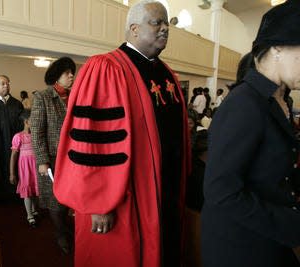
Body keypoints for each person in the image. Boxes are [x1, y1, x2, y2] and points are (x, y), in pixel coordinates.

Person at [53, 1, 190, 266]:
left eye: (166, 23)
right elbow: (93, 142)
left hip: (166, 189)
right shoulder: (106, 68)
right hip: (125, 197)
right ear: (134, 29)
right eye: (156, 22)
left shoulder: (167, 73)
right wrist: (98, 204)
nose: (165, 29)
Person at [202, 1, 300, 266]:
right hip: (240, 248)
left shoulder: (281, 99)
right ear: (278, 46)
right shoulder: (244, 103)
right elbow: (220, 191)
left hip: (268, 238)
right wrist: (291, 223)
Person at [30, 57, 76, 254]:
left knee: (72, 195)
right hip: (53, 157)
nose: (71, 75)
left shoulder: (75, 95)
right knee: (55, 198)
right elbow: (37, 131)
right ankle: (61, 233)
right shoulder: (43, 97)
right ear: (57, 76)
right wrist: (42, 160)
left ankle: (67, 226)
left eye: (72, 72)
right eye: (67, 73)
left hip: (74, 157)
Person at [10, 110, 39, 227]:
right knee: (27, 190)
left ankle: (34, 210)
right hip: (25, 168)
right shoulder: (18, 136)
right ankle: (30, 215)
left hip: (35, 166)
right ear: (27, 122)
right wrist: (12, 173)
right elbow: (13, 156)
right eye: (34, 120)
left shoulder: (36, 135)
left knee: (35, 190)